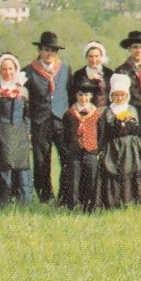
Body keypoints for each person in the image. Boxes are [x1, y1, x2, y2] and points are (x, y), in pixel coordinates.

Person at [97, 74, 141, 208]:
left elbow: (138, 129)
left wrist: (128, 123)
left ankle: (134, 199)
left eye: (122, 95)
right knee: (115, 171)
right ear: (112, 96)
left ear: (126, 95)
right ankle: (116, 201)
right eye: (116, 95)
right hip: (114, 146)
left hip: (132, 146)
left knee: (132, 169)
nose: (119, 98)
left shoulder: (132, 110)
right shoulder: (108, 111)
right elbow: (104, 131)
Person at [24, 31, 70, 204]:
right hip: (40, 121)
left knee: (66, 158)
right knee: (42, 160)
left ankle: (65, 195)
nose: (49, 54)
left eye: (53, 50)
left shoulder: (65, 68)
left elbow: (70, 93)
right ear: (40, 50)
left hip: (61, 119)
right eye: (46, 50)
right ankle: (46, 196)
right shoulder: (29, 71)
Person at [0, 52, 33, 206]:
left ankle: (25, 203)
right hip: (1, 131)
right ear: (0, 71)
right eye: (4, 69)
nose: (8, 72)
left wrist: (27, 131)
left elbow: (27, 114)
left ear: (16, 70)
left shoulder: (23, 91)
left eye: (11, 69)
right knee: (4, 167)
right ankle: (3, 202)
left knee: (22, 166)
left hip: (19, 131)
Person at [60, 76, 102, 212]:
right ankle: (72, 206)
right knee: (74, 179)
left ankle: (90, 206)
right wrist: (68, 148)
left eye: (86, 95)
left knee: (91, 178)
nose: (83, 98)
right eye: (80, 95)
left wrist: (97, 148)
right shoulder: (69, 114)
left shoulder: (97, 114)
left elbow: (101, 133)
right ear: (76, 96)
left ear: (91, 96)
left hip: (91, 150)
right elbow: (64, 134)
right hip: (75, 152)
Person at [114, 30, 141, 124]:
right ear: (129, 49)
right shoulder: (121, 71)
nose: (139, 50)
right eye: (135, 47)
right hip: (131, 112)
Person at [68, 41, 113, 108]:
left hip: (104, 112)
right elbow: (73, 96)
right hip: (85, 112)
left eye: (96, 56)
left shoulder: (109, 73)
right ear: (86, 57)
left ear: (101, 56)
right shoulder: (79, 74)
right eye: (91, 56)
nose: (94, 60)